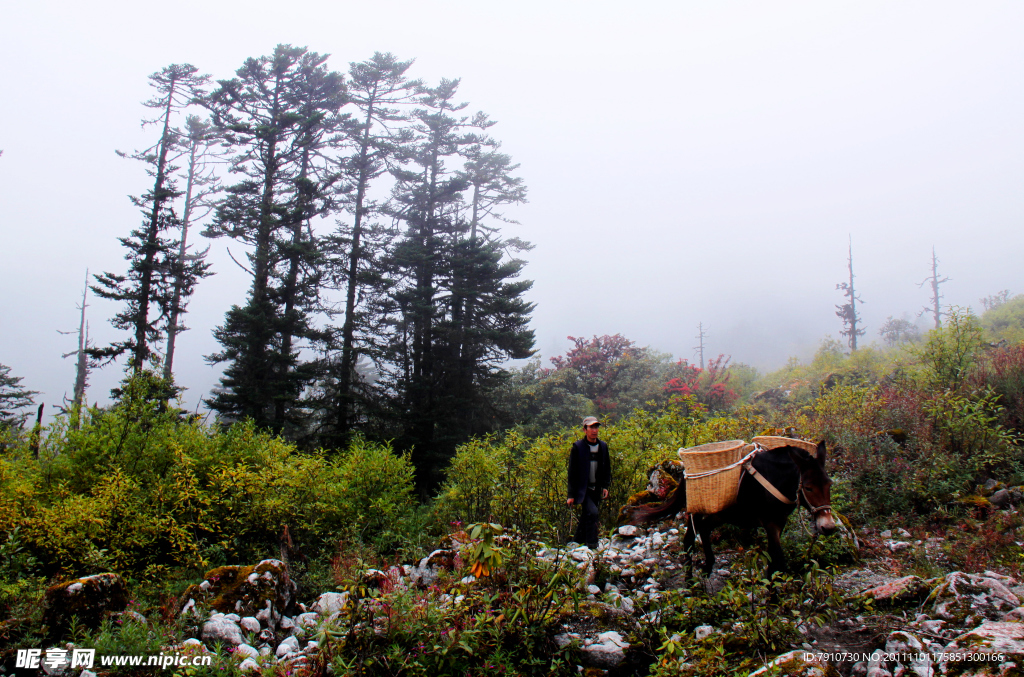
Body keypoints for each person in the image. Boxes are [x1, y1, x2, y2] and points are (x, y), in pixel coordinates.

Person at [566, 416, 611, 549]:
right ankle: (592, 545)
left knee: (587, 515)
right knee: (593, 513)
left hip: (596, 488)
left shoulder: (603, 446)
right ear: (585, 430)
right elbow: (572, 472)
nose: (594, 430)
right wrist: (571, 495)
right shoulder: (578, 447)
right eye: (591, 427)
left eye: (596, 427)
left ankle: (577, 542)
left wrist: (605, 486)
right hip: (583, 490)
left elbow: (607, 467)